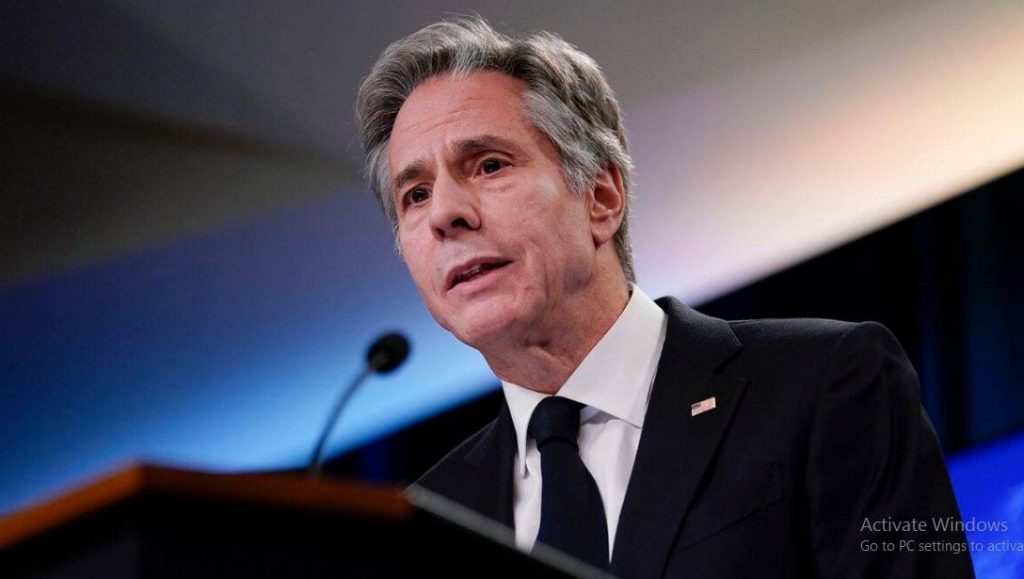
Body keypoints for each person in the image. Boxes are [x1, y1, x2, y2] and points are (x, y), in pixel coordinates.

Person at [355, 16, 975, 579]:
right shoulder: (424, 518)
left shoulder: (826, 381)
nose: (445, 214)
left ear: (601, 197)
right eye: (415, 195)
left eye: (489, 165)